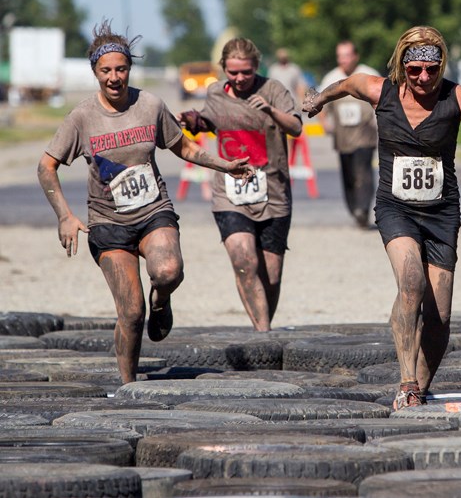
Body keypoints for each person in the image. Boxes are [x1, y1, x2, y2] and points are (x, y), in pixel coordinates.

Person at [304, 26, 461, 409]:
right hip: (396, 208)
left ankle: (419, 389)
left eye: (432, 69)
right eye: (415, 70)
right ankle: (405, 381)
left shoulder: (455, 96)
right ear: (401, 67)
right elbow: (348, 84)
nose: (424, 77)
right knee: (411, 283)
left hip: (441, 213)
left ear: (442, 66)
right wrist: (319, 99)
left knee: (439, 318)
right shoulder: (381, 90)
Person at [37, 20, 255, 383]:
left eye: (120, 68)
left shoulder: (150, 105)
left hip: (154, 211)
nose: (114, 77)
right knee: (132, 313)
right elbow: (46, 167)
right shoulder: (81, 118)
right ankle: (129, 387)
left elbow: (182, 145)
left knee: (169, 272)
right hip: (108, 224)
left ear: (129, 70)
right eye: (106, 70)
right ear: (95, 72)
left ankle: (162, 299)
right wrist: (64, 215)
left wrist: (224, 165)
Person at [181, 38, 303, 332]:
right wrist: (192, 121)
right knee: (244, 262)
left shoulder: (273, 90)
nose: (239, 79)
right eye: (232, 72)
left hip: (272, 191)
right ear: (223, 68)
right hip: (229, 192)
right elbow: (210, 121)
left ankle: (263, 330)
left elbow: (297, 127)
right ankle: (264, 336)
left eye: (245, 72)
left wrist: (271, 111)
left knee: (270, 276)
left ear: (256, 68)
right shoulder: (215, 92)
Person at [318, 41, 381, 228]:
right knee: (348, 174)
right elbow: (320, 104)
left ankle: (363, 209)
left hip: (365, 133)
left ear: (356, 56)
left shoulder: (368, 74)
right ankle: (355, 209)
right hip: (343, 136)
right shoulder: (332, 77)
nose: (343, 60)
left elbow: (383, 99)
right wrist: (325, 124)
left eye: (347, 55)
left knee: (363, 171)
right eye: (340, 56)